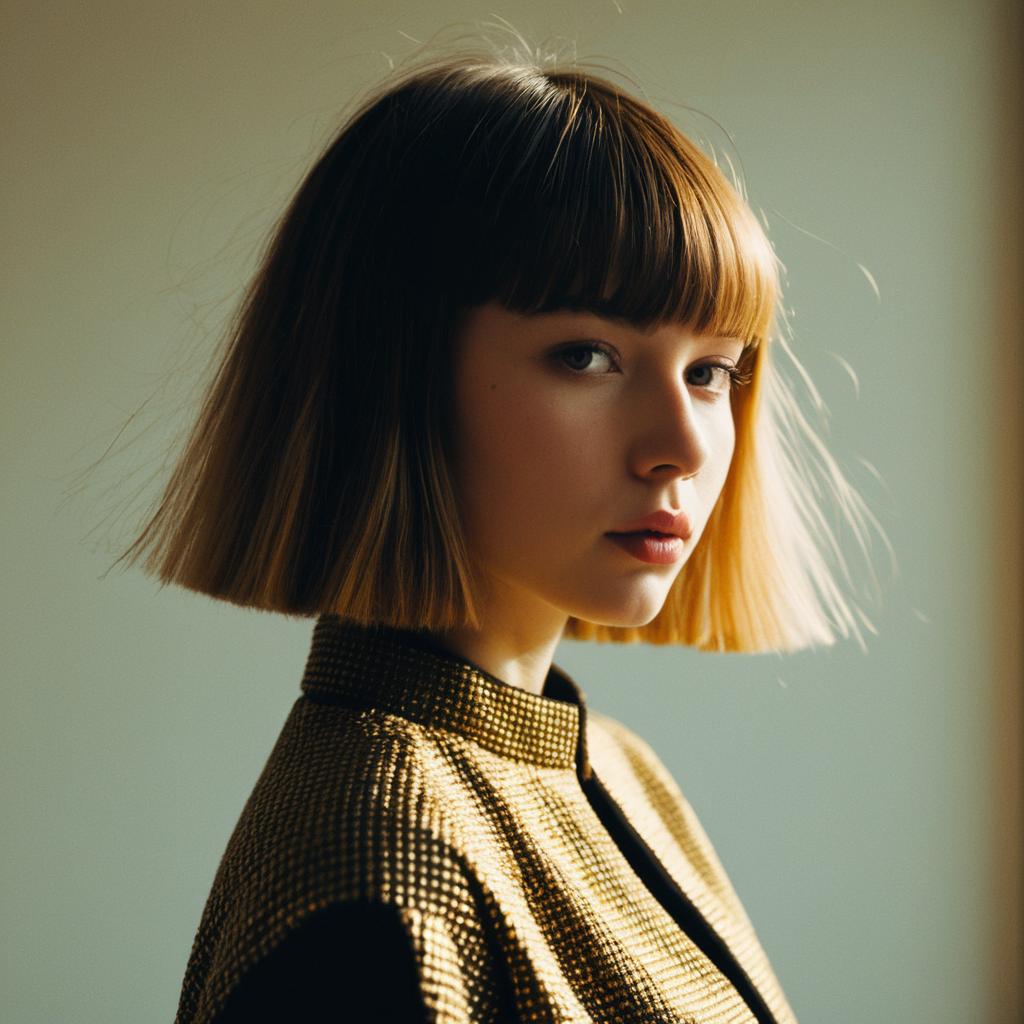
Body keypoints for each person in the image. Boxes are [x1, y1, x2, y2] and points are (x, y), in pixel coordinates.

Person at [122, 40, 879, 1024]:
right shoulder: (379, 890)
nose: (684, 446)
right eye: (586, 354)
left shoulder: (616, 768)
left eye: (712, 369)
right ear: (389, 374)